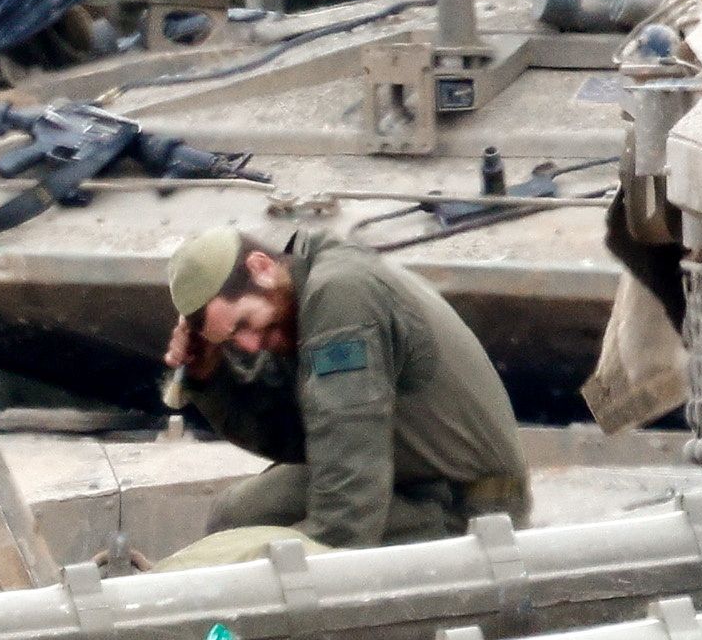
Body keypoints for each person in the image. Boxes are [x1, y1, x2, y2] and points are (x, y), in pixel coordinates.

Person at [164, 220, 531, 549]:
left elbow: (349, 490)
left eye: (244, 323)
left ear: (261, 267)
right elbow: (298, 434)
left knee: (251, 541)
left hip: (470, 509)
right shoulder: (301, 295)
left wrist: (317, 577)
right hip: (413, 482)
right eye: (230, 339)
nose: (247, 345)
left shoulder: (340, 296)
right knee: (238, 516)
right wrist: (210, 375)